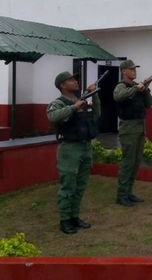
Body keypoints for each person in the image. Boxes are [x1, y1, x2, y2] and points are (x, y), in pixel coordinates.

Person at [47, 72, 101, 234]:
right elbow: (52, 116)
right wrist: (73, 107)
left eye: (75, 79)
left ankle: (74, 216)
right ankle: (65, 220)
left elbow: (97, 115)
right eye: (71, 80)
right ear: (62, 85)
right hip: (69, 148)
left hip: (85, 146)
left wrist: (95, 95)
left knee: (80, 185)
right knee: (68, 185)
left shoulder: (82, 100)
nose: (75, 81)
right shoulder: (58, 103)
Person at [114, 60, 152, 207]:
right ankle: (122, 195)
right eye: (131, 69)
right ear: (124, 71)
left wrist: (146, 90)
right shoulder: (121, 86)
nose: (134, 71)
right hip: (128, 128)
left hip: (139, 127)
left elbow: (149, 104)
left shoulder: (137, 87)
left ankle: (129, 192)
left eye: (135, 69)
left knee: (136, 162)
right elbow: (118, 97)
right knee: (127, 163)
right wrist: (137, 89)